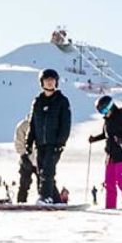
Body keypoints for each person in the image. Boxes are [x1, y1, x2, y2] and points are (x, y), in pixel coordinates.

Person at [28, 69, 72, 204]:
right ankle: (57, 200)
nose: (50, 82)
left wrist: (60, 143)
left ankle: (46, 197)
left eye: (52, 80)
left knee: (48, 172)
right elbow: (33, 123)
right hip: (40, 144)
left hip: (54, 144)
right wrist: (28, 142)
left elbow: (66, 124)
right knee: (43, 173)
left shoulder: (62, 101)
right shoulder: (37, 102)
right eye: (47, 79)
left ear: (56, 82)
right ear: (42, 82)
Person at [89, 95, 122, 209]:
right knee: (109, 183)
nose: (104, 113)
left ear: (111, 106)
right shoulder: (107, 120)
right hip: (110, 155)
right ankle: (110, 207)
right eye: (101, 111)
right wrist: (94, 139)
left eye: (105, 109)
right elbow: (106, 135)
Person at [14, 115, 35, 203]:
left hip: (40, 160)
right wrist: (23, 155)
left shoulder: (43, 124)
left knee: (45, 184)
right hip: (27, 159)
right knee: (24, 183)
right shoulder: (23, 126)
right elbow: (18, 142)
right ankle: (21, 202)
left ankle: (46, 201)